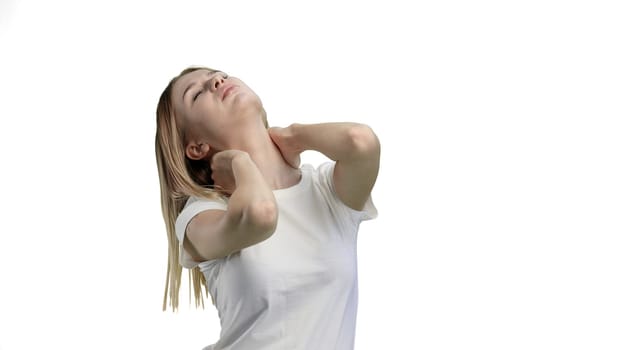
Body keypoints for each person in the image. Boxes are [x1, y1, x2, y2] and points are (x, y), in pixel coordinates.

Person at [155, 66, 380, 349]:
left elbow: (361, 142)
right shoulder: (201, 214)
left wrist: (294, 136)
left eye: (219, 74)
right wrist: (239, 163)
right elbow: (261, 215)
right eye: (197, 93)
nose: (216, 80)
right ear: (197, 147)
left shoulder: (326, 193)